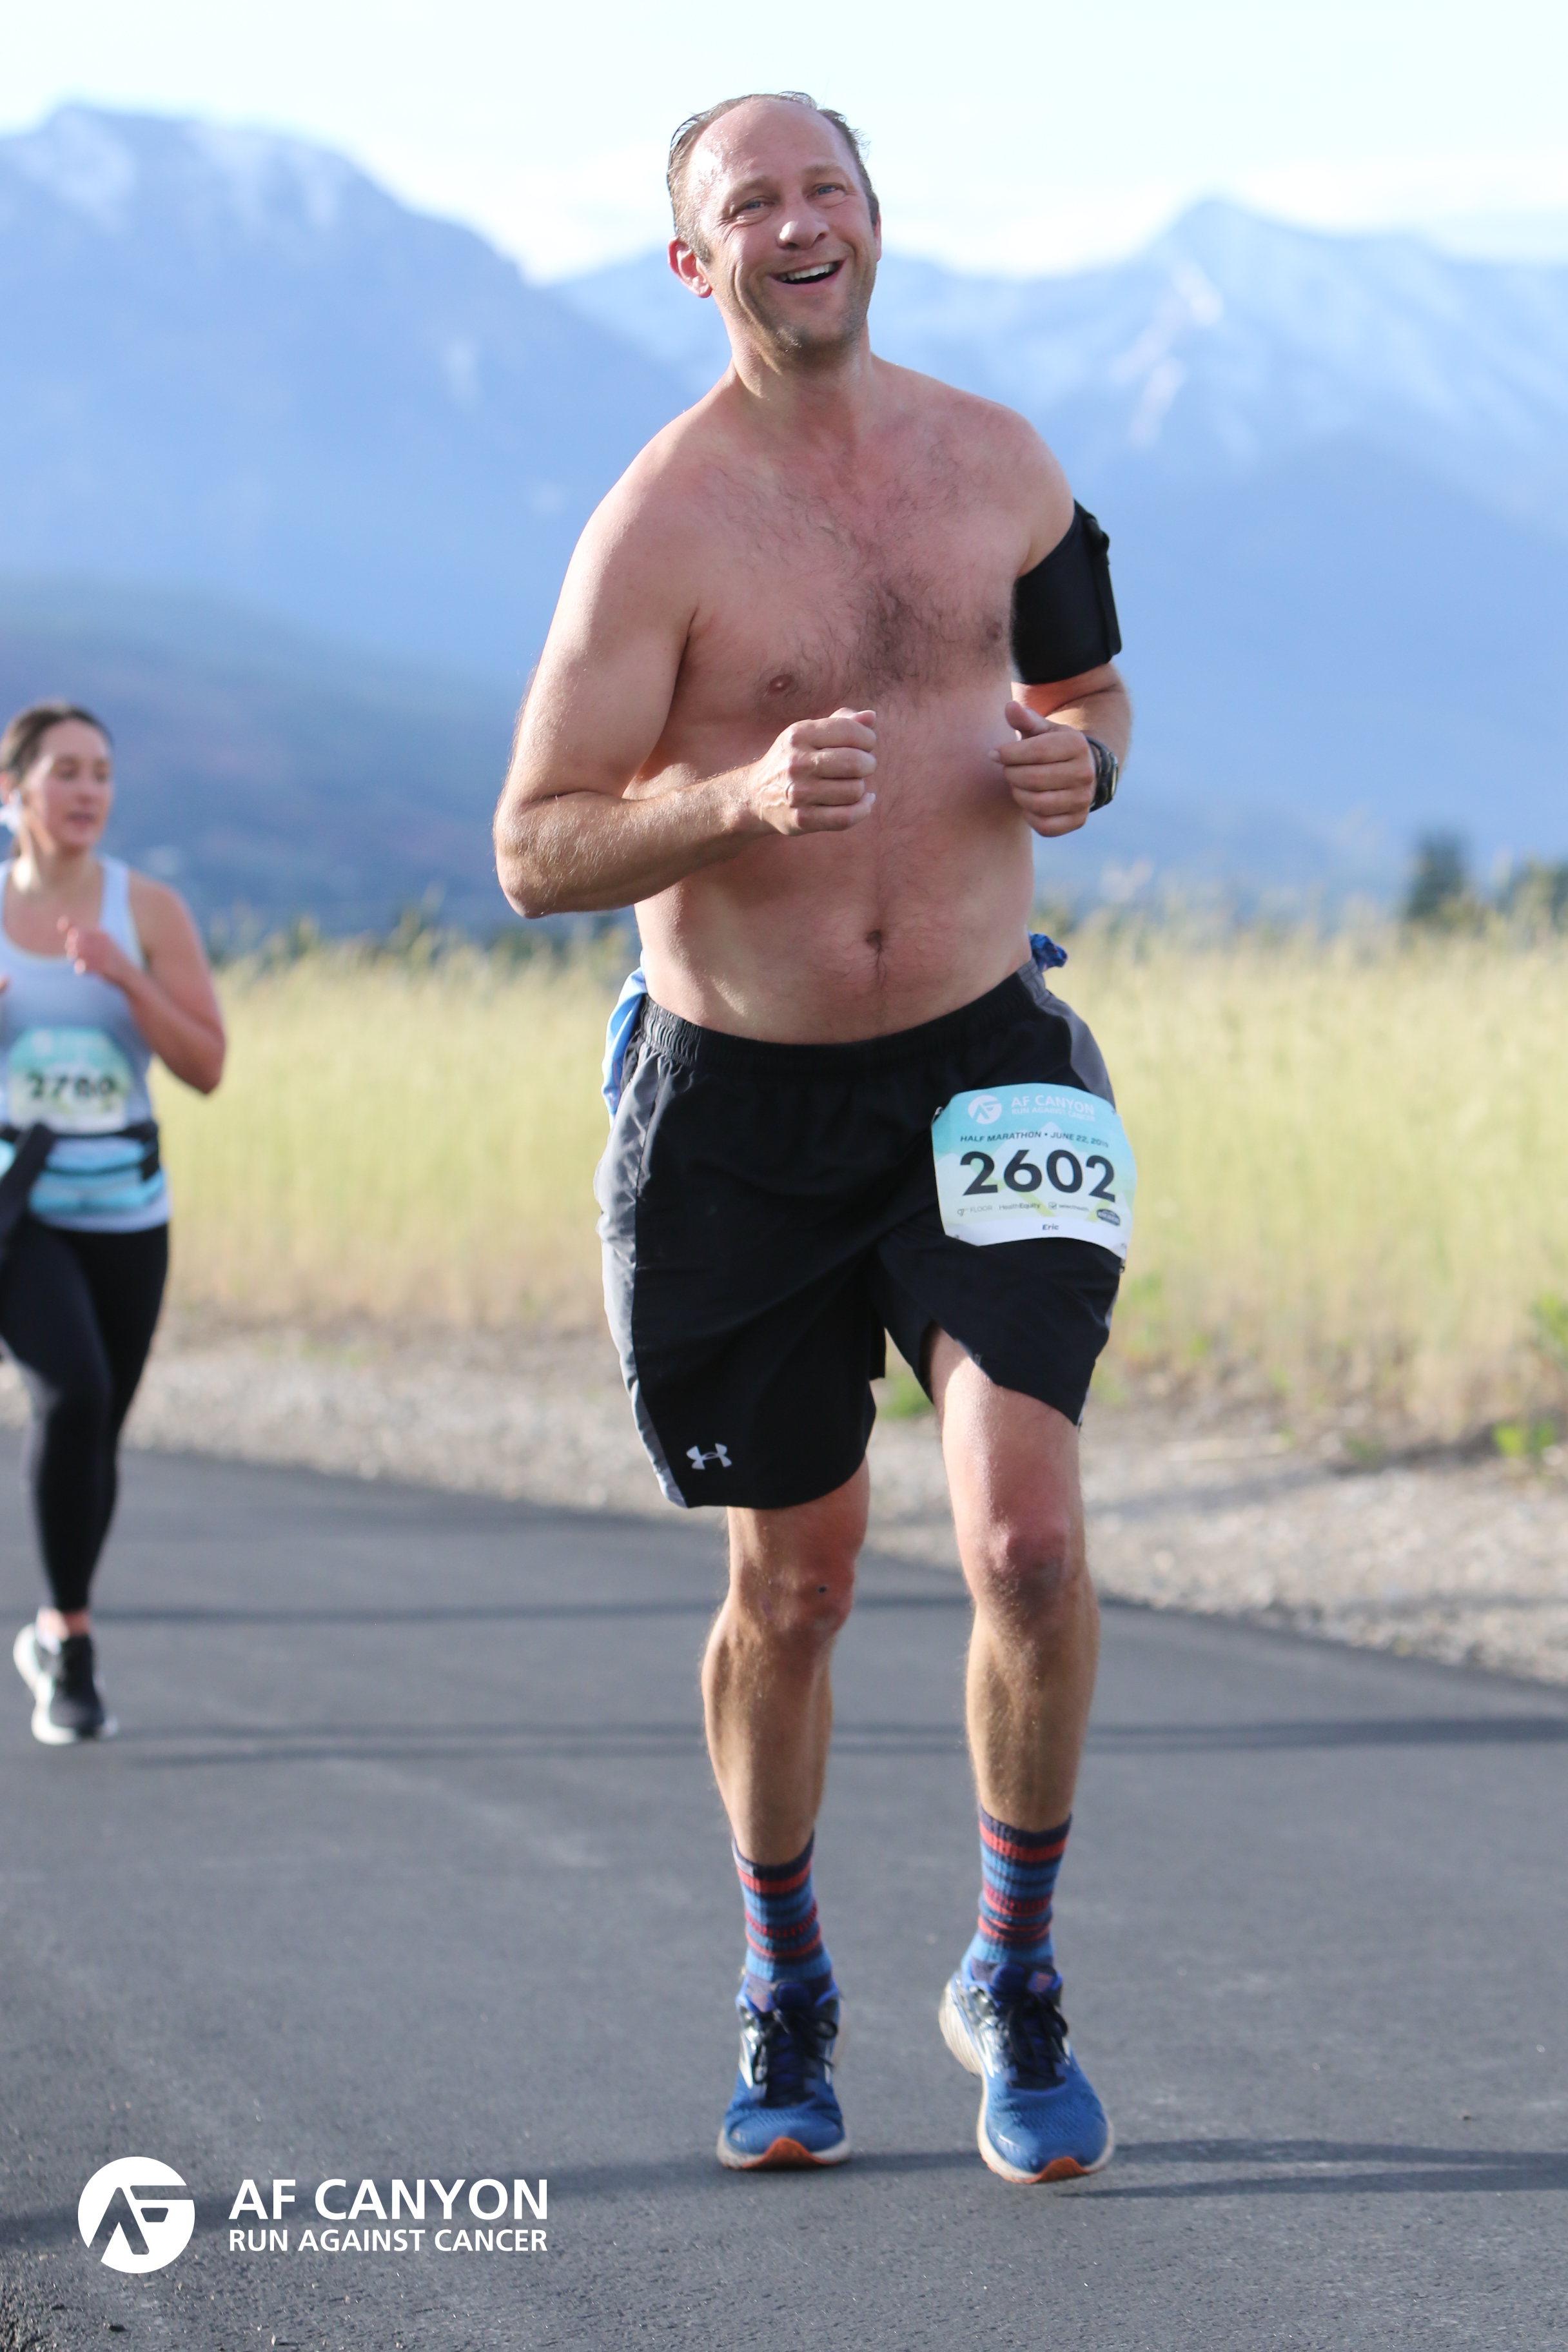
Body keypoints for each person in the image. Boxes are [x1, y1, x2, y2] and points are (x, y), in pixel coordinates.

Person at [494, 92, 1133, 2186]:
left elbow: (1095, 694)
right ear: (697, 262)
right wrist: (733, 801)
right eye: (749, 202)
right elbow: (533, 847)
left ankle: (1013, 1972)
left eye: (825, 187)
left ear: (874, 217)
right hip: (738, 1110)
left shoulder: (1006, 464)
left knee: (1028, 1541)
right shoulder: (656, 526)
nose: (798, 222)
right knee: (798, 1585)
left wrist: (1085, 769)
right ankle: (787, 1977)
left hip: (988, 1070)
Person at [2, 702, 224, 1743]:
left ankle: (55, 1633)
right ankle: (72, 1642)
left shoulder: (149, 910)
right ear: (14, 792)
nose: (87, 790)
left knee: (100, 1431)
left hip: (128, 1209)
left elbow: (206, 1067)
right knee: (73, 1393)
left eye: (100, 772)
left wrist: (127, 976)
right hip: (18, 1211)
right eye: (65, 772)